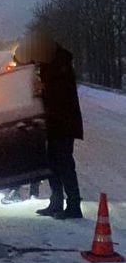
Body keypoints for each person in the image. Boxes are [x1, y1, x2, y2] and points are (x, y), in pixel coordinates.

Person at [15, 35, 83, 219]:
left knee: (64, 164)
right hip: (55, 123)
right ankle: (57, 202)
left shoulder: (59, 66)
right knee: (53, 164)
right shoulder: (52, 64)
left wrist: (41, 91)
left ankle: (74, 205)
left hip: (63, 124)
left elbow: (57, 96)